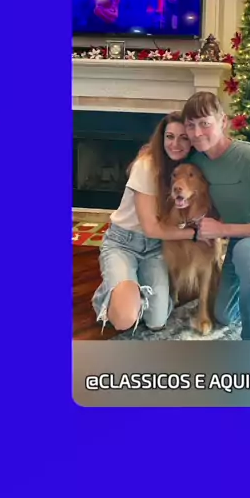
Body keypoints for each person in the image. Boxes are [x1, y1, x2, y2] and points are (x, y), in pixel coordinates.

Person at [181, 91, 250, 341]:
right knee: (223, 315)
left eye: (205, 123)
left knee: (247, 253)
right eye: (190, 125)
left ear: (223, 121)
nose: (197, 133)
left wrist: (223, 230)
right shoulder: (197, 161)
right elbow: (167, 150)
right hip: (240, 238)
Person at [91, 112, 212, 335]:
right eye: (170, 136)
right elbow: (151, 228)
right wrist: (195, 234)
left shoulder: (185, 168)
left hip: (156, 247)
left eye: (184, 138)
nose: (175, 144)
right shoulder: (146, 165)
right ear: (161, 138)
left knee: (156, 321)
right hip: (124, 243)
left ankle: (130, 286)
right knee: (124, 319)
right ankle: (107, 294)